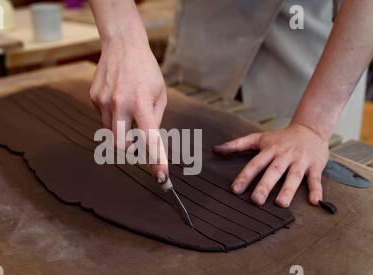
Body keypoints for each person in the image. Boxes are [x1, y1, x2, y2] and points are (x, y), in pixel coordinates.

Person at [88, 0, 373, 208]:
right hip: (209, 25)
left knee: (303, 196)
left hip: (324, 36)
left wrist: (313, 126)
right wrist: (121, 34)